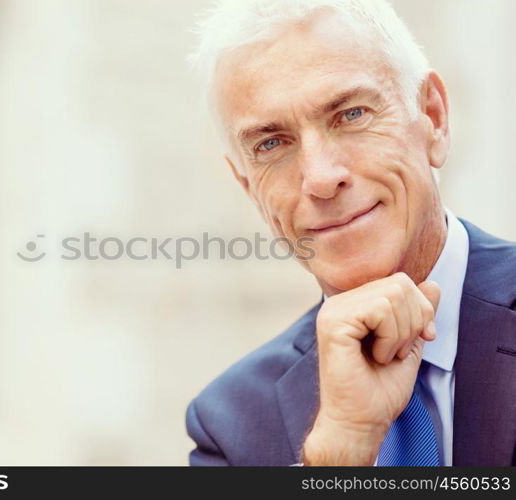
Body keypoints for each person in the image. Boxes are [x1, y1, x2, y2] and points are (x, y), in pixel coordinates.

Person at [185, 0, 516, 466]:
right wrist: (340, 453)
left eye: (352, 114)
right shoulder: (231, 424)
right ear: (248, 187)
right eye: (272, 143)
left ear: (433, 119)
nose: (320, 177)